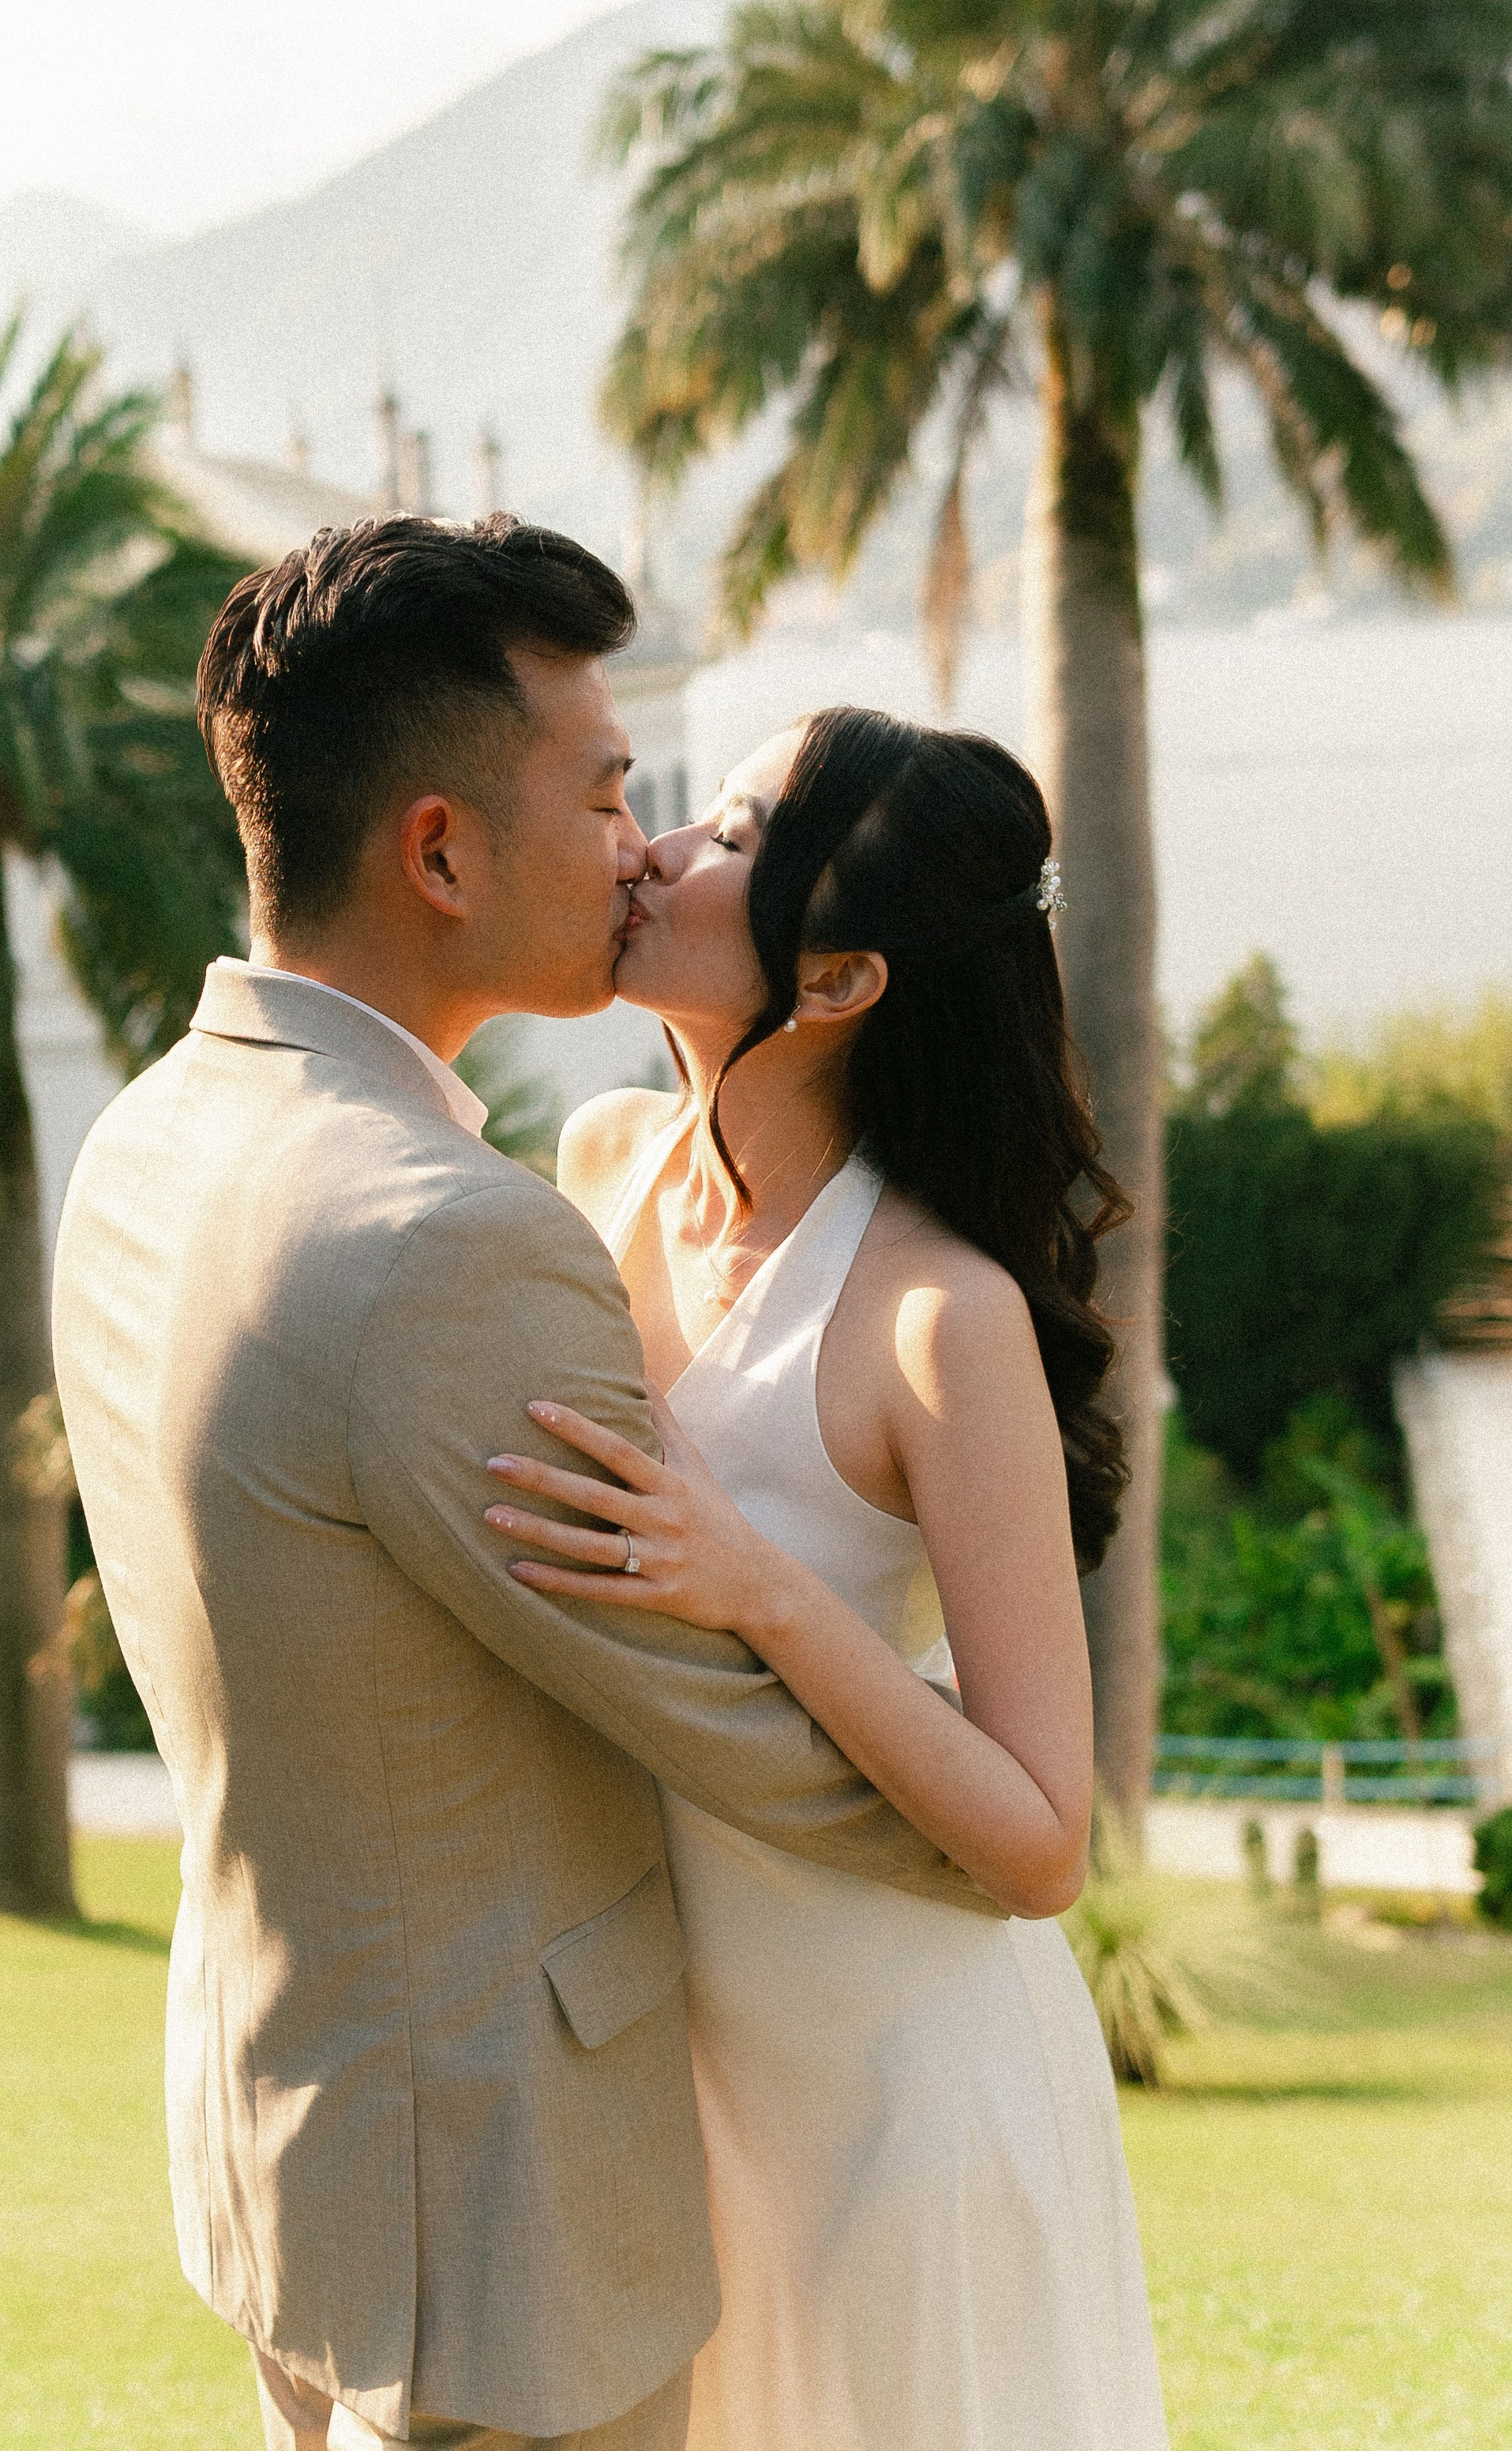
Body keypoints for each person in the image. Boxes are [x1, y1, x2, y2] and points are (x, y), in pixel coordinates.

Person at [51, 523, 994, 2451]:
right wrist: (998, 1848)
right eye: (604, 789)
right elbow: (721, 1725)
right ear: (440, 852)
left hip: (290, 2140)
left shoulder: (149, 1135)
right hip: (495, 2219)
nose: (637, 844)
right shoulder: (450, 1244)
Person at [486, 706, 1171, 2451]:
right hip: (677, 2076)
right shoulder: (600, 1173)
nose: (651, 849)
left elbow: (1038, 1840)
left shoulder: (941, 1322)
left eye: (726, 837)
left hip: (899, 2097)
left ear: (842, 978)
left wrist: (762, 1589)